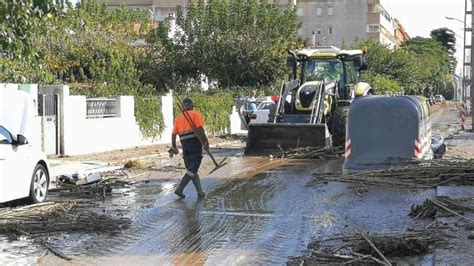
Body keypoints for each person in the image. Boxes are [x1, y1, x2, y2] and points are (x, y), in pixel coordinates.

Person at [170, 98, 209, 199]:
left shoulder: (178, 117)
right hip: (195, 144)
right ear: (192, 105)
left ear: (183, 106)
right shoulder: (195, 114)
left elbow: (174, 134)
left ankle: (200, 192)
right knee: (193, 169)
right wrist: (205, 142)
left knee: (192, 170)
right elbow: (200, 129)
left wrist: (174, 146)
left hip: (185, 146)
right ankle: (180, 189)